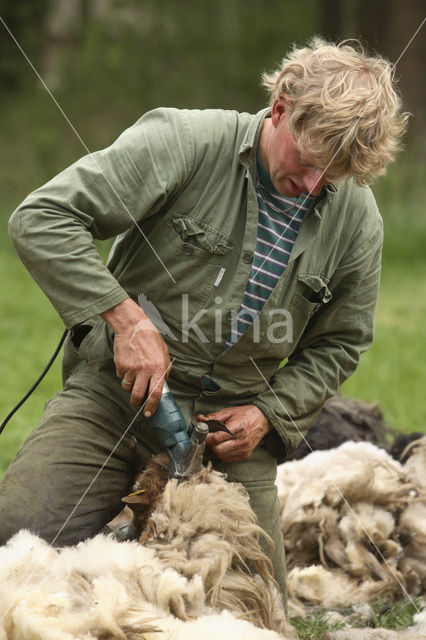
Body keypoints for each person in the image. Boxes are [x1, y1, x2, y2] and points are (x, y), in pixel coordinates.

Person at [0, 37, 407, 611]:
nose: (314, 185)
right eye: (310, 161)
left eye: (333, 176)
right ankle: (124, 527)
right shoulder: (183, 141)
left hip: (230, 439)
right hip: (117, 398)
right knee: (18, 545)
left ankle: (131, 538)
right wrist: (124, 318)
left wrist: (269, 414)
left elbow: (341, 342)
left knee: (248, 607)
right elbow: (42, 218)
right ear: (282, 109)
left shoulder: (358, 219)